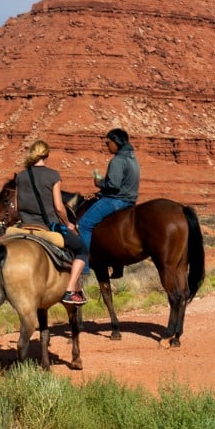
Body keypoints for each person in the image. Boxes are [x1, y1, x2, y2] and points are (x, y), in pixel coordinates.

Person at [64, 127, 140, 301]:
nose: (107, 146)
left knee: (84, 224)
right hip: (130, 201)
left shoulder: (118, 160)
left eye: (108, 143)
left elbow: (113, 185)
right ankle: (118, 266)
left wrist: (99, 182)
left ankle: (83, 265)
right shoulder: (132, 158)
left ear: (116, 142)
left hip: (116, 200)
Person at [14, 139, 86, 306]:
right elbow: (59, 207)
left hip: (24, 226)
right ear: (46, 155)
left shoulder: (21, 176)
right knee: (82, 249)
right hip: (48, 227)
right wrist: (68, 224)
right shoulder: (53, 175)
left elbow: (16, 207)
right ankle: (70, 291)